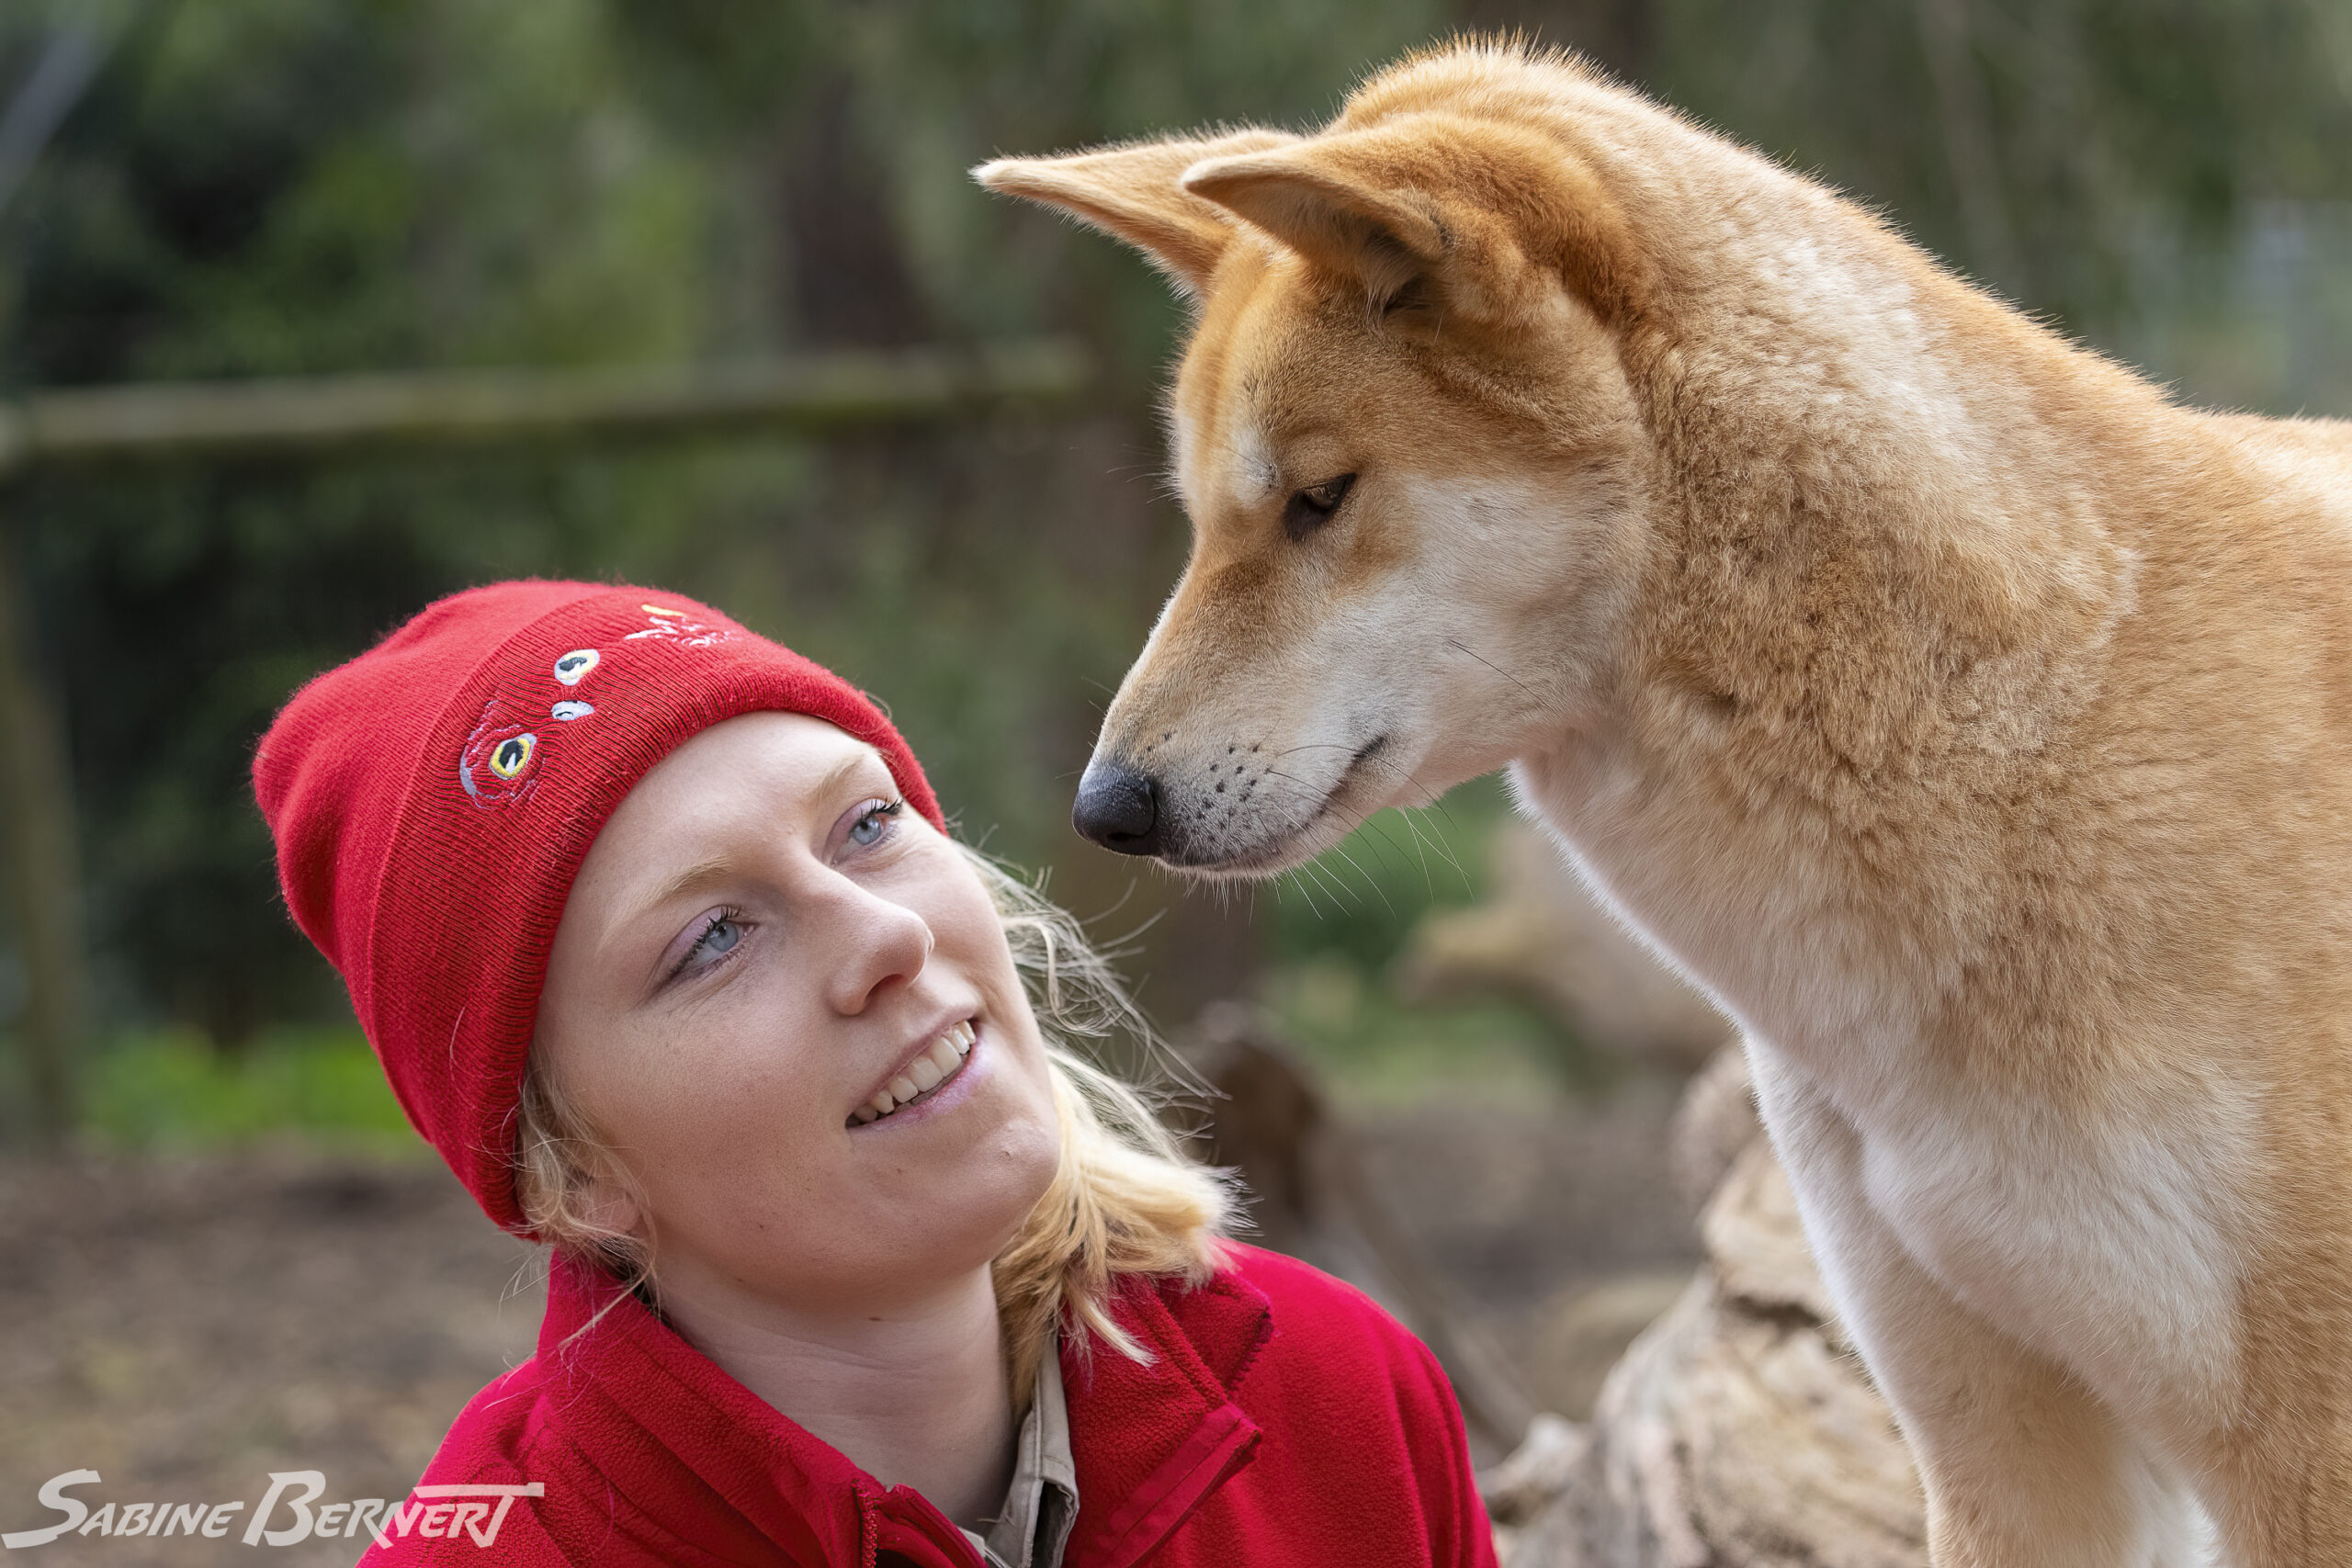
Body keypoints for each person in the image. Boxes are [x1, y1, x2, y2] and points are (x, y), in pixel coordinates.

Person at [254, 580, 1498, 1567]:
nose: (884, 936)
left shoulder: (1338, 1403)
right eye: (713, 941)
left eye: (865, 826)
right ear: (571, 1172)